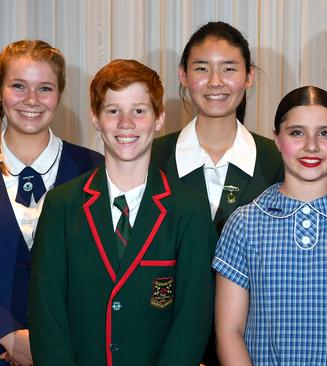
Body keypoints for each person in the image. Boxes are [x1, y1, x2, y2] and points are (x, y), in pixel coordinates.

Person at [28, 59, 216, 365]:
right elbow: (47, 315)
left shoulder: (189, 209)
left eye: (139, 111)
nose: (125, 123)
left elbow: (192, 319)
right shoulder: (61, 205)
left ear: (159, 119)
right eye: (113, 110)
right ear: (95, 118)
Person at [213, 86, 327, 365]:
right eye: (297, 132)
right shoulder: (244, 223)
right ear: (277, 138)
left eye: (325, 133)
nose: (312, 146)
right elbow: (229, 331)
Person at [0, 40, 102, 366]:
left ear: (59, 94)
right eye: (18, 86)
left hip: (73, 352)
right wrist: (6, 335)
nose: (31, 100)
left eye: (44, 88)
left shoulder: (94, 170)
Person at [152, 21, 283, 234]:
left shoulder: (276, 160)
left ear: (249, 77)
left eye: (229, 69)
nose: (215, 81)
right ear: (183, 75)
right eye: (202, 68)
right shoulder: (152, 158)